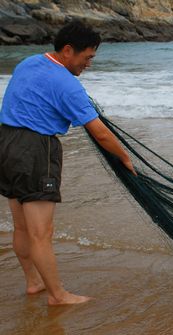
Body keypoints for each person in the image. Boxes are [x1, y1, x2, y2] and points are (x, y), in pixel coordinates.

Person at [0, 21, 136, 306]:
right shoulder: (66, 84)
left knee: (22, 228)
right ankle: (58, 295)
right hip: (36, 151)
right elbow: (99, 132)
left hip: (6, 144)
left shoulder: (29, 62)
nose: (89, 64)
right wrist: (124, 158)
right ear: (67, 50)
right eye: (87, 57)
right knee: (41, 232)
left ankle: (33, 283)